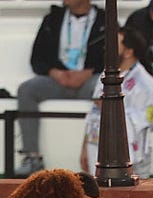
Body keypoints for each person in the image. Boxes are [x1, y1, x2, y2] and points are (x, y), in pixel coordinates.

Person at [16, 0, 106, 176]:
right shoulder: (53, 19)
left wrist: (88, 73)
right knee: (27, 90)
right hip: (59, 79)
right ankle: (32, 157)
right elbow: (37, 58)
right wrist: (55, 73)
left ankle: (101, 155)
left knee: (104, 89)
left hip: (89, 79)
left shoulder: (105, 20)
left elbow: (114, 57)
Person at [81, 27, 153, 178]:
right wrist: (84, 147)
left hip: (131, 159)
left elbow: (149, 120)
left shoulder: (146, 84)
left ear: (128, 52)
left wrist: (113, 108)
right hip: (97, 150)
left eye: (114, 45)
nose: (107, 49)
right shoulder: (105, 76)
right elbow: (93, 113)